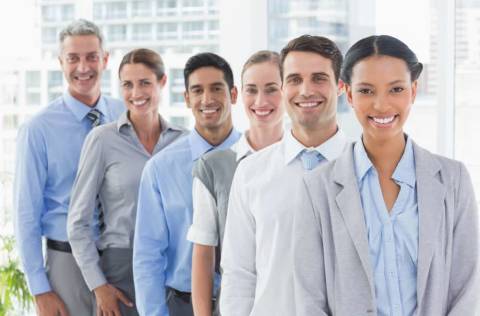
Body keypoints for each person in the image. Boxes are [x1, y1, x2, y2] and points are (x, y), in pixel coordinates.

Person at [293, 35, 479, 316]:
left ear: (413, 91)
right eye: (366, 91)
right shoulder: (317, 187)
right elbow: (310, 299)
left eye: (396, 89)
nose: (381, 105)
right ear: (350, 94)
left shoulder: (453, 179)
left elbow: (468, 288)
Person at [220, 35, 348, 316]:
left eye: (318, 78)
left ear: (340, 86)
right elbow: (239, 275)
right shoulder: (251, 173)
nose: (305, 90)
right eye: (294, 79)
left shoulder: (366, 169)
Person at [13, 19, 124, 316]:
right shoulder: (37, 129)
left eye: (91, 57)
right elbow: (26, 214)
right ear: (61, 62)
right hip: (67, 265)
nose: (83, 67)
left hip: (121, 259)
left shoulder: (125, 114)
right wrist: (40, 289)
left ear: (105, 59)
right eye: (73, 58)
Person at [67, 48, 186, 316]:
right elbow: (77, 222)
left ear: (162, 82)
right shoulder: (102, 140)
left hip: (175, 269)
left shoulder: (183, 142)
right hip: (120, 270)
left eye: (145, 83)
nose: (136, 93)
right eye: (127, 85)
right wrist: (98, 286)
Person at [133, 52, 241, 316]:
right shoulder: (160, 168)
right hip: (182, 304)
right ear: (187, 99)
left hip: (245, 302)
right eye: (197, 90)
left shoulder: (255, 161)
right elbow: (148, 256)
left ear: (234, 95)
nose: (207, 99)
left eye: (217, 88)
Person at [187, 50, 284, 316]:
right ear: (240, 95)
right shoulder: (213, 168)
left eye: (271, 89)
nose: (260, 100)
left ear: (287, 91)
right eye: (252, 90)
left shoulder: (306, 163)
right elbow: (203, 255)